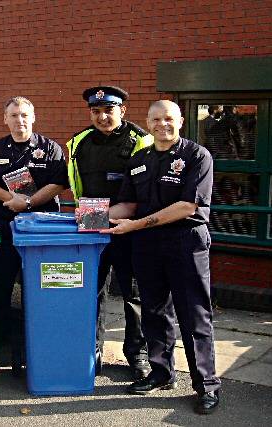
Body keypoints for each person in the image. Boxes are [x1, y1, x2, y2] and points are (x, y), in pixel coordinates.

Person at [103, 100, 221, 415]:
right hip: (147, 246)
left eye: (168, 118)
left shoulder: (197, 156)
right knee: (153, 311)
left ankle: (206, 385)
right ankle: (161, 372)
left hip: (186, 243)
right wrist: (88, 217)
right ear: (148, 122)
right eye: (156, 119)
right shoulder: (139, 159)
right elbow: (126, 205)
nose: (162, 124)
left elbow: (187, 206)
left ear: (180, 120)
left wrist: (136, 225)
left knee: (193, 315)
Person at [66, 86, 153, 379]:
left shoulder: (142, 141)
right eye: (96, 111)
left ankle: (137, 354)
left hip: (131, 230)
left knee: (133, 295)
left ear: (122, 111)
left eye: (109, 110)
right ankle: (92, 351)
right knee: (92, 292)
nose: (102, 116)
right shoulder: (79, 142)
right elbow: (78, 188)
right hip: (92, 231)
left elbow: (146, 193)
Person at [0, 96, 69, 372]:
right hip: (5, 229)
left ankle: (37, 339)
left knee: (39, 287)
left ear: (33, 117)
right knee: (1, 285)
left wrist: (27, 202)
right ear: (5, 119)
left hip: (40, 231)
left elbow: (58, 183)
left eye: (24, 115)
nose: (19, 120)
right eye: (14, 115)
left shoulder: (50, 148)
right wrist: (11, 198)